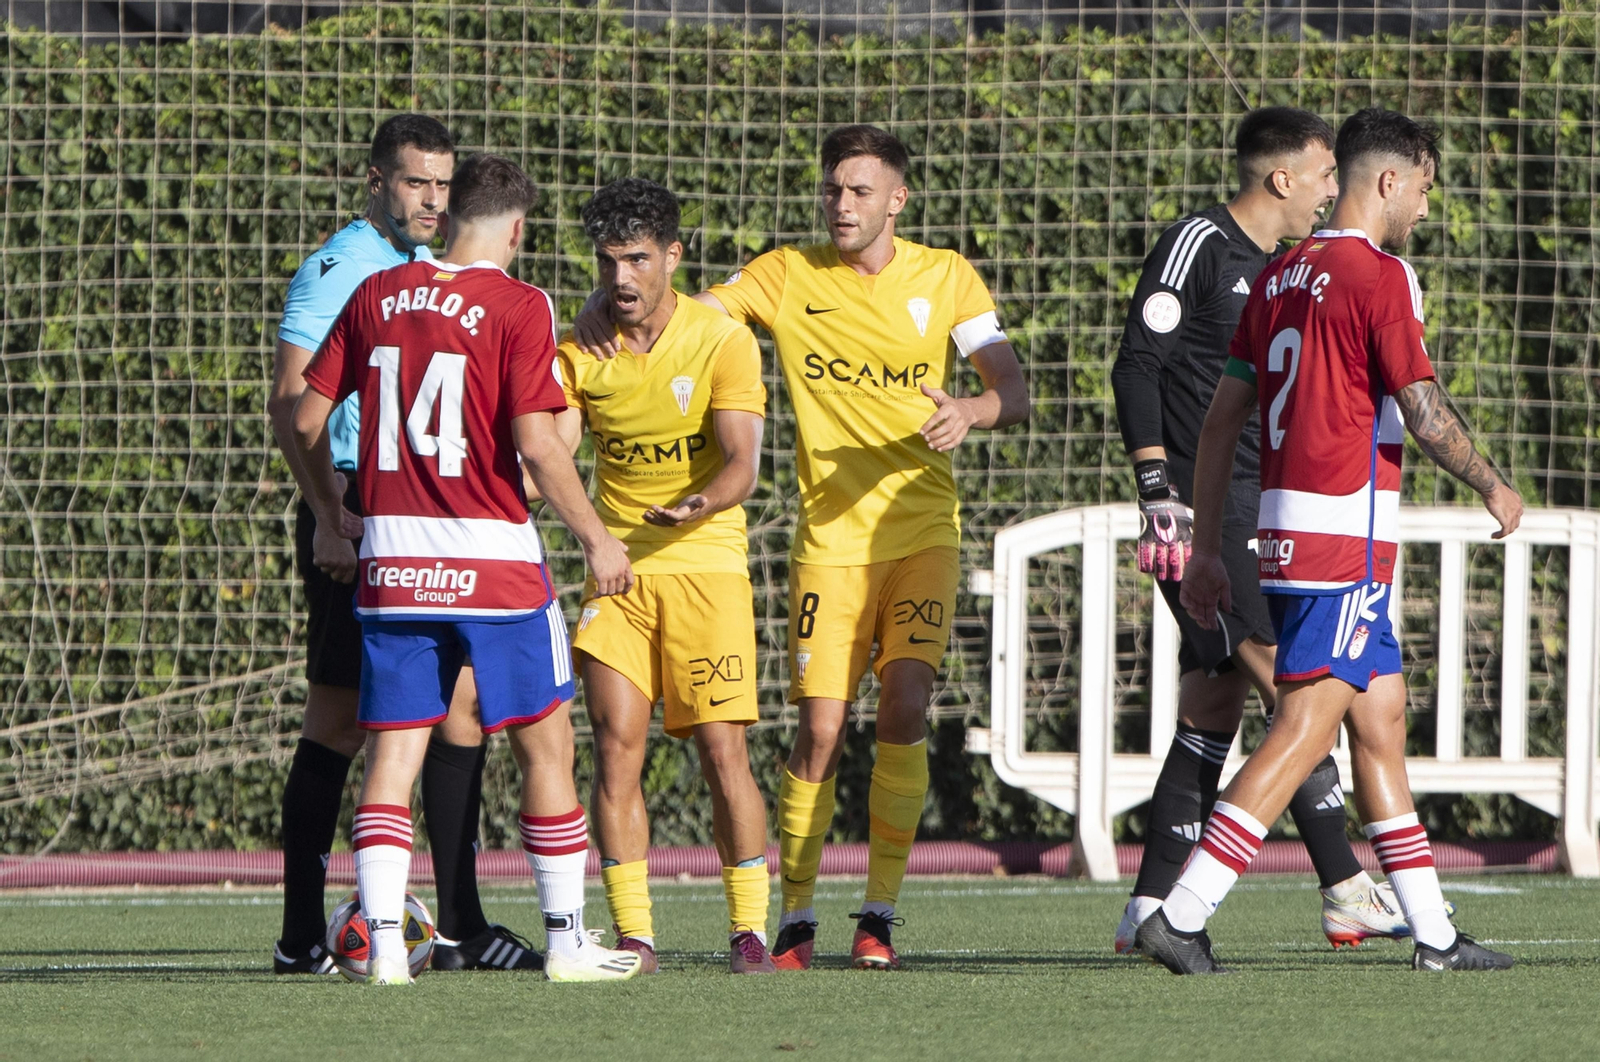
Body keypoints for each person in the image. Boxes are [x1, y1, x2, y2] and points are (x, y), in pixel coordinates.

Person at [575, 124, 1028, 970]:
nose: (842, 204)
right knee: (818, 731)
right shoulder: (786, 274)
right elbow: (691, 311)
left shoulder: (947, 277)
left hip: (923, 529)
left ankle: (880, 914)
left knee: (905, 704)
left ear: (898, 199)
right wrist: (606, 304)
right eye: (832, 189)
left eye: (860, 191)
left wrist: (972, 410)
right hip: (829, 543)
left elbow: (1014, 388)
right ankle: (795, 913)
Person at [1139, 108, 1522, 974]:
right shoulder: (1382, 276)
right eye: (1423, 188)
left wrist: (1204, 550)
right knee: (1306, 728)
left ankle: (1433, 935)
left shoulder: (1279, 275)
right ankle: (1184, 912)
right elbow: (1422, 410)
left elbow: (1220, 419)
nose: (1425, 206)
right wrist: (1493, 482)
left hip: (1283, 532)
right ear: (1387, 181)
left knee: (1378, 718)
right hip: (1344, 537)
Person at [291, 153, 642, 984]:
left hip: (392, 561)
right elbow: (537, 446)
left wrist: (335, 501)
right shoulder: (520, 303)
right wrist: (597, 537)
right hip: (491, 561)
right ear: (516, 229)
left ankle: (382, 953)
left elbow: (308, 417)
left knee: (392, 755)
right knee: (545, 743)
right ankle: (566, 943)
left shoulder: (376, 294)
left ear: (451, 218)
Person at [1110, 107, 1429, 953]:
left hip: (1267, 509)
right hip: (1205, 514)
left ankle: (1148, 906)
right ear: (1281, 178)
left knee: (1216, 696)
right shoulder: (1199, 245)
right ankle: (1342, 883)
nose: (1336, 190)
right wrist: (1158, 491)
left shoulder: (1294, 271)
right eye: (1326, 174)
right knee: (1298, 699)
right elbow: (1137, 362)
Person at [266, 114, 538, 973]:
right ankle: (301, 936)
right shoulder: (342, 270)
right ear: (375, 180)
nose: (432, 199)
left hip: (438, 519)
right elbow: (290, 403)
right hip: (362, 513)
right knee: (342, 721)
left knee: (461, 712)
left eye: (443, 184)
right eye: (415, 182)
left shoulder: (438, 272)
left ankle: (459, 925)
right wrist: (327, 510)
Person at [554, 177, 774, 974]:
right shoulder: (581, 348)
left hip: (707, 565)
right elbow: (554, 448)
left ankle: (749, 929)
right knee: (616, 746)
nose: (621, 279)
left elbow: (744, 465)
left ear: (672, 257)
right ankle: (637, 936)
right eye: (608, 261)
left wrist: (698, 503)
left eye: (638, 260)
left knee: (723, 751)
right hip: (617, 570)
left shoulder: (722, 342)